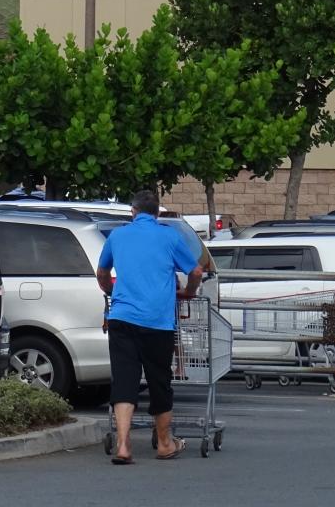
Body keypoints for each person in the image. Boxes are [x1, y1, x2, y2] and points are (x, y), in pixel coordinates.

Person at [95, 189, 203, 465]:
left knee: (124, 380)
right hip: (158, 322)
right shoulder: (169, 236)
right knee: (159, 381)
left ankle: (123, 445)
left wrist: (111, 291)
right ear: (157, 213)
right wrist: (189, 292)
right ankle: (165, 444)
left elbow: (102, 273)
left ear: (133, 212)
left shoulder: (117, 235)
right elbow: (196, 271)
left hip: (122, 319)